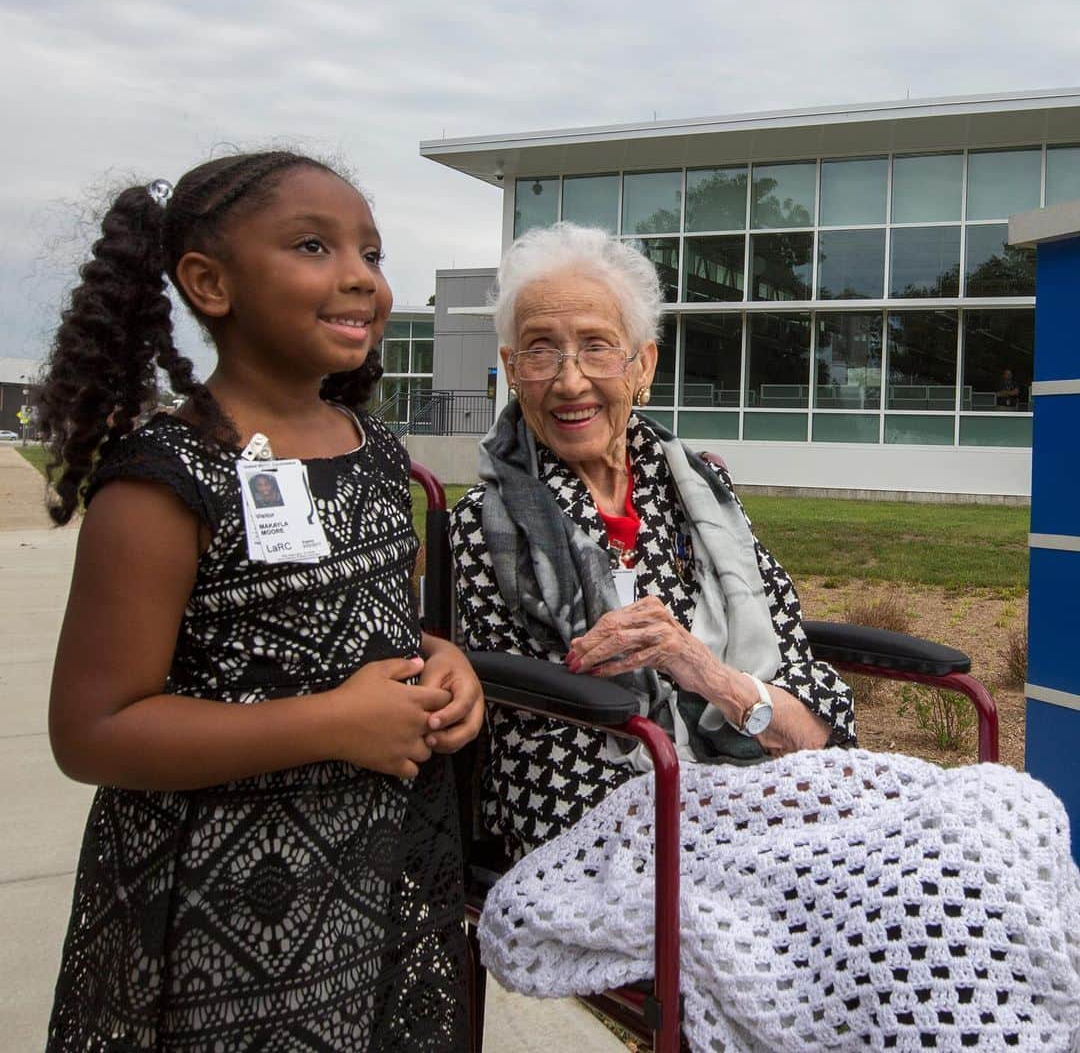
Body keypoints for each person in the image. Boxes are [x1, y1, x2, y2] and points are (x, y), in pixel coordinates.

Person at [38, 151, 483, 1050]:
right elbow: (93, 731)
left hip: (376, 877)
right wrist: (332, 723)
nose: (361, 277)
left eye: (372, 251)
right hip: (220, 916)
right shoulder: (162, 483)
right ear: (209, 283)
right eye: (315, 246)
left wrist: (443, 659)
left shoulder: (377, 449)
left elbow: (374, 631)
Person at [450, 222, 855, 862]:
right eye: (540, 351)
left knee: (989, 828)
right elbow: (545, 750)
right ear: (511, 370)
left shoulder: (705, 494)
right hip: (616, 823)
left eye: (596, 348)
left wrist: (701, 670)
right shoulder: (487, 527)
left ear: (643, 364)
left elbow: (813, 720)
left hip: (769, 792)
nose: (570, 381)